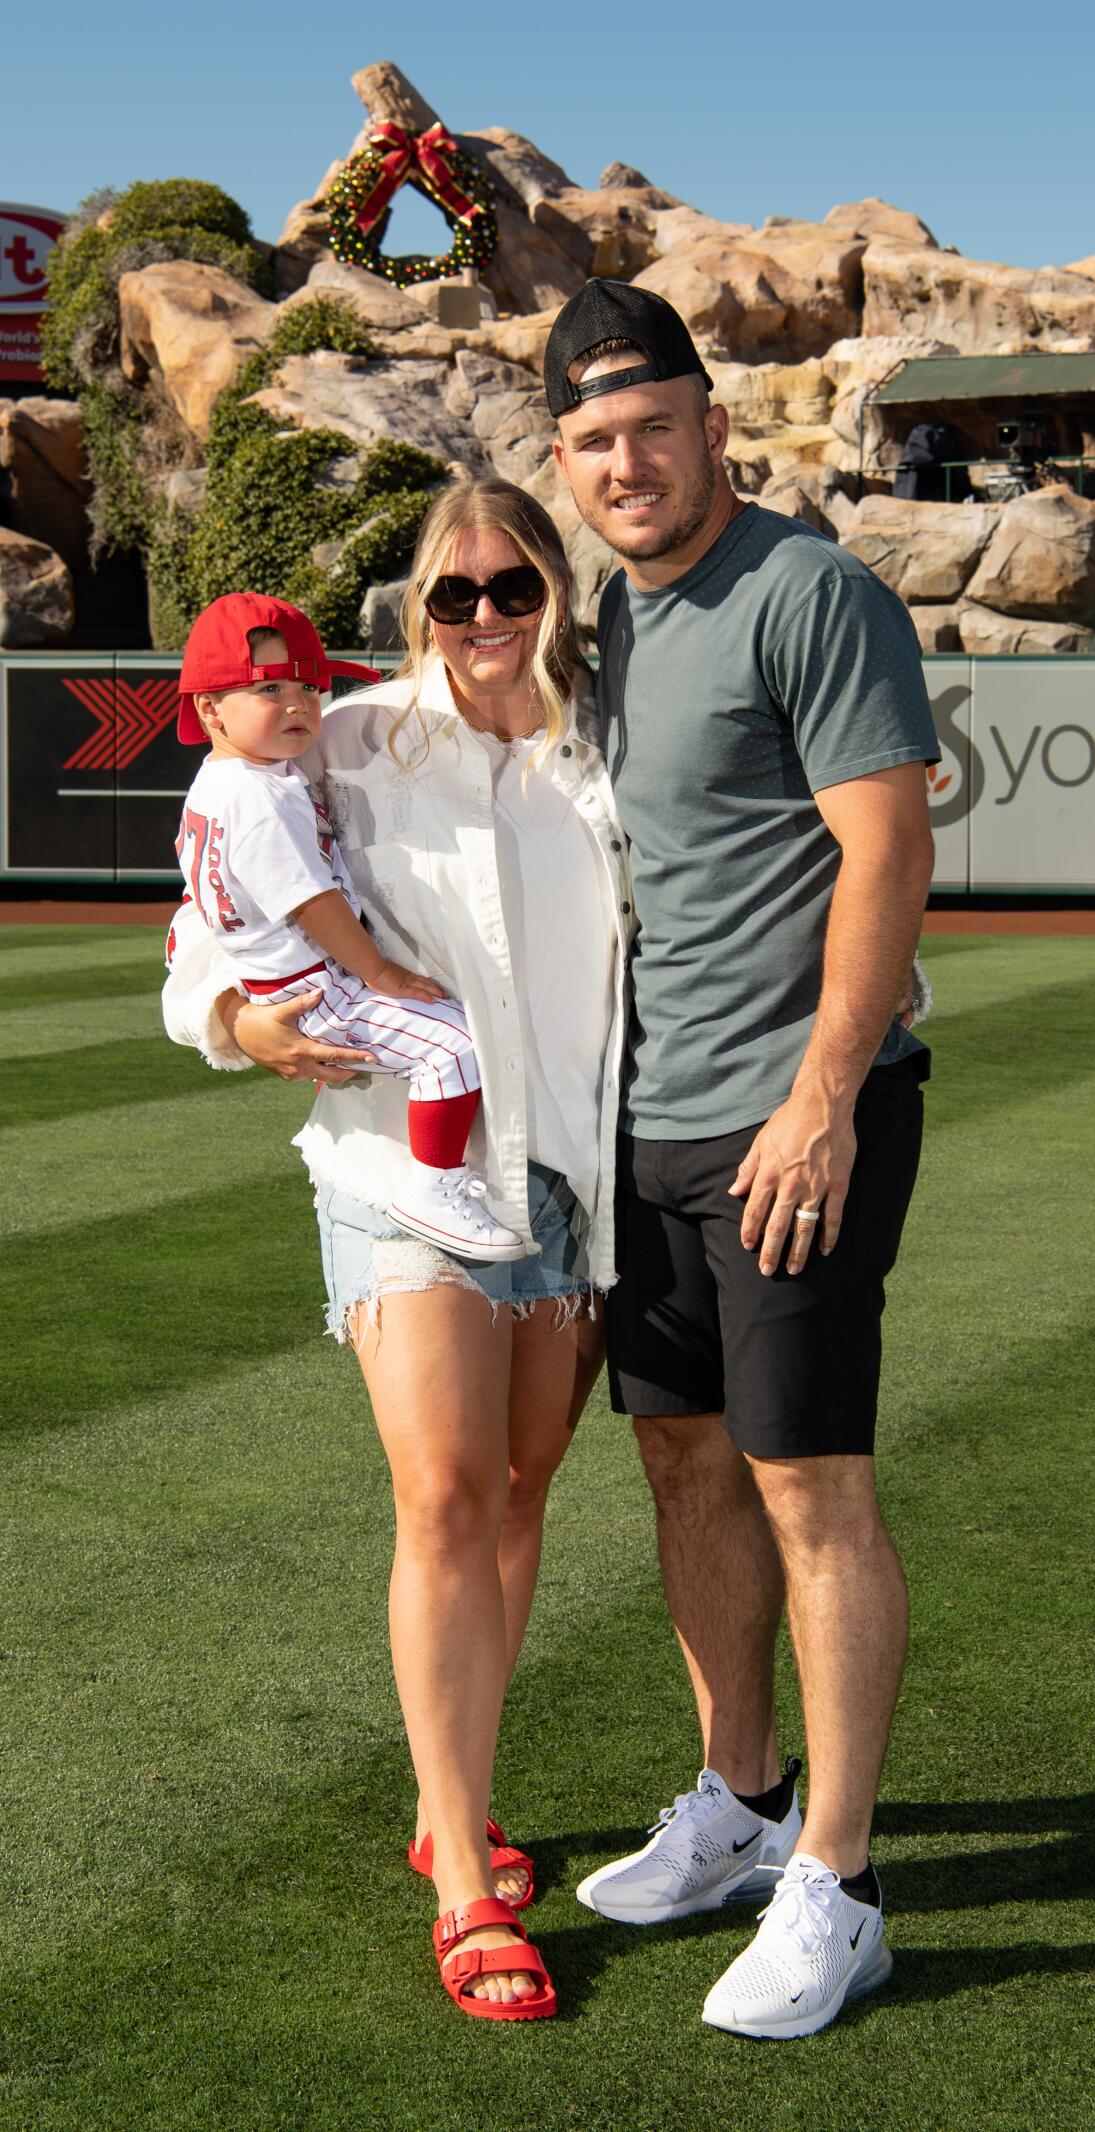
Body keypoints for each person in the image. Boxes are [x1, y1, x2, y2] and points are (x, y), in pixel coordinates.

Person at [162, 477, 632, 2022]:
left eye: (515, 589)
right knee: (438, 1493)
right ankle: (454, 1884)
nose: (487, 618)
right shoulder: (344, 741)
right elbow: (197, 941)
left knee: (515, 1490)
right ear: (417, 607)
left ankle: (457, 1793)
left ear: (555, 594)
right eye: (456, 593)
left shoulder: (603, 754)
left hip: (564, 1183)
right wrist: (234, 1021)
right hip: (398, 1170)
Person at [546, 279, 939, 2040]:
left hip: (797, 1125)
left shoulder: (809, 589)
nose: (626, 464)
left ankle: (837, 1884)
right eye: (590, 442)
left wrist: (825, 1091)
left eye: (651, 426)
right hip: (650, 1128)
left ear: (713, 422)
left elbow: (886, 854)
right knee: (686, 1471)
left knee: (812, 1489)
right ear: (563, 465)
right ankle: (740, 1795)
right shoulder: (608, 622)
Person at [174, 591, 522, 1260]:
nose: (300, 703)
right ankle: (434, 1186)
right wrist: (382, 973)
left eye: (310, 684)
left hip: (281, 981)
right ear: (209, 707)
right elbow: (313, 903)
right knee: (452, 1048)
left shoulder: (219, 785)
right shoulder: (257, 794)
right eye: (269, 686)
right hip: (316, 987)